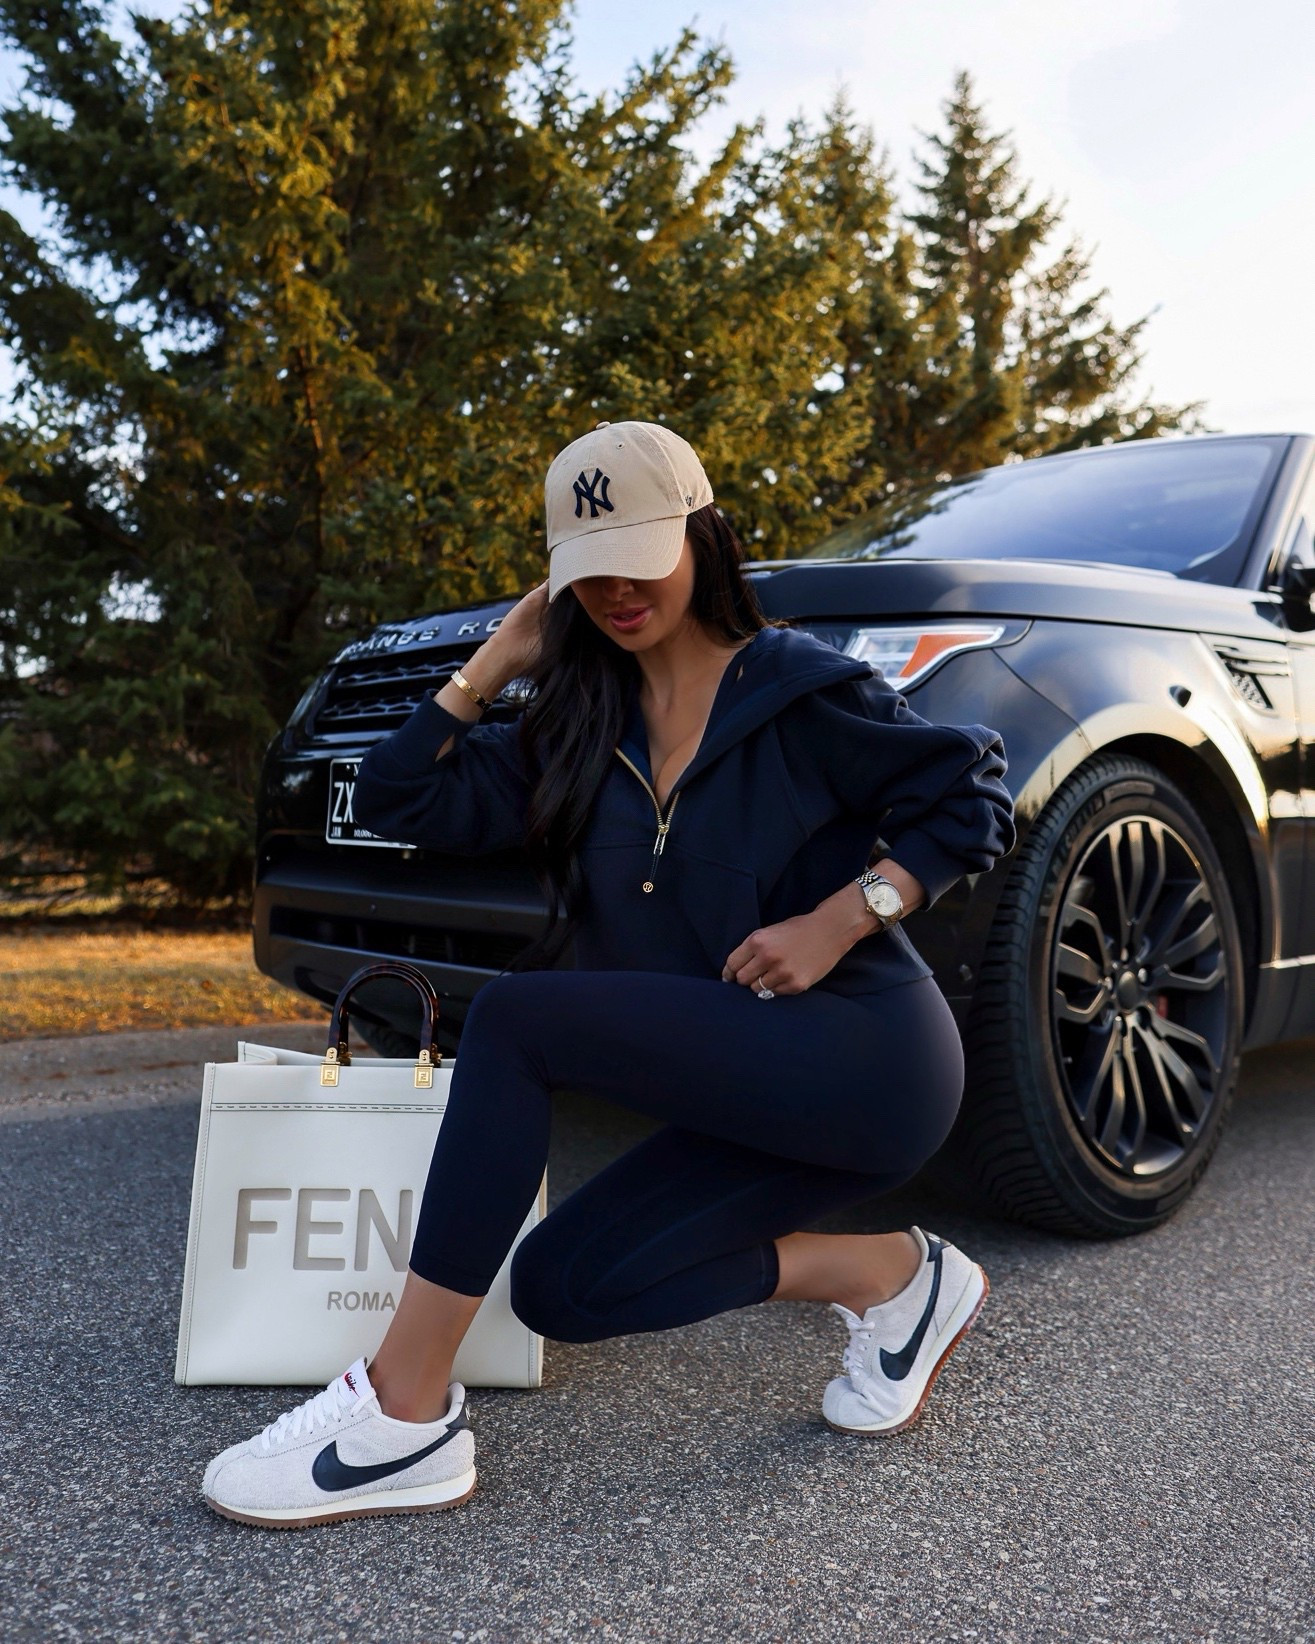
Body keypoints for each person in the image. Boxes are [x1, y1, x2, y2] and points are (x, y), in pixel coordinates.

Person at [200, 420, 1016, 1529]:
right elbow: (397, 802)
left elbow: (971, 796)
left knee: (519, 1022)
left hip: (867, 1060)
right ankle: (891, 1278)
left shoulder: (794, 690)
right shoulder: (575, 728)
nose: (619, 589)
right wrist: (489, 666)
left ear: (702, 535)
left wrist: (837, 918)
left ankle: (401, 1417)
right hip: (736, 1076)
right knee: (562, 1290)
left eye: (641, 553)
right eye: (588, 571)